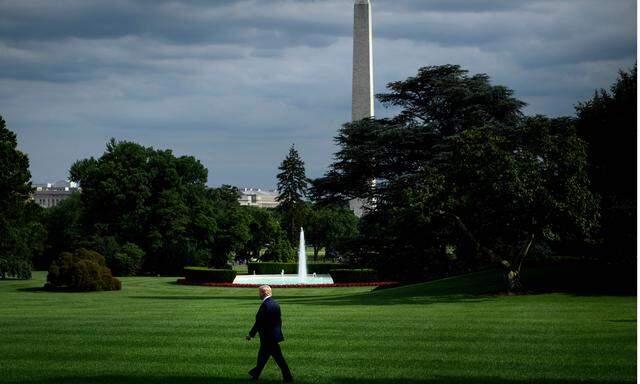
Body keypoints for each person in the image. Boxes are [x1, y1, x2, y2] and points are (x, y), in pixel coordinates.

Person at [246, 285, 293, 382]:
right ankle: (255, 375)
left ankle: (288, 377)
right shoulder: (275, 303)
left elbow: (259, 322)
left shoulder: (265, 305)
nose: (258, 294)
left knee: (278, 358)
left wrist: (250, 334)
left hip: (267, 337)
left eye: (259, 292)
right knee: (263, 357)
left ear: (263, 293)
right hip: (273, 336)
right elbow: (279, 321)